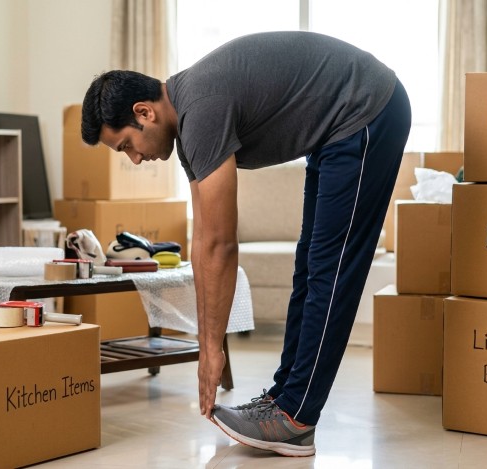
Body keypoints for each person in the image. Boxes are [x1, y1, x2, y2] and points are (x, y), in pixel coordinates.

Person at [81, 31, 411, 457]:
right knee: (309, 267)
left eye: (127, 144)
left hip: (367, 110)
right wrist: (206, 344)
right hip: (338, 128)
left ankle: (296, 418)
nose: (136, 158)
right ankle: (282, 398)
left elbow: (222, 244)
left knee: (330, 273)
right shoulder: (189, 126)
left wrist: (213, 350)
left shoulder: (200, 110)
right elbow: (201, 242)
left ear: (144, 112)